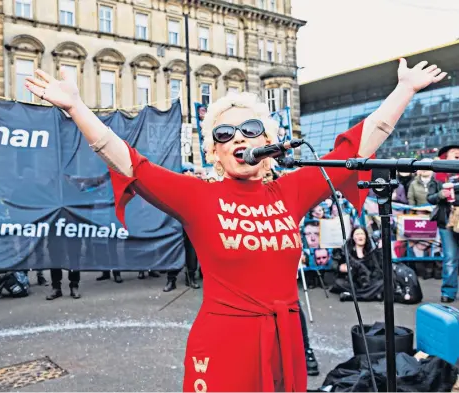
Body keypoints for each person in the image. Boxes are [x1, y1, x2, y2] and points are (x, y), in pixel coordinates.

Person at [25, 58, 446, 391]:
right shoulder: (197, 195)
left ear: (270, 141)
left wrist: (404, 90)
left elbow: (356, 144)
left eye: (249, 128)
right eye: (225, 134)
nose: (238, 139)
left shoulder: (292, 191)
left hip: (284, 341)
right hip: (225, 344)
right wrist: (77, 108)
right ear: (215, 152)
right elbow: (128, 161)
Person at [427, 144, 459, 303]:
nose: (458, 154)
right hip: (447, 221)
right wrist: (441, 194)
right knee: (450, 257)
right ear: (446, 157)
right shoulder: (438, 176)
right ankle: (449, 292)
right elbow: (430, 198)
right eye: (454, 153)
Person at [330, 227, 384, 302]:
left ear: (366, 236)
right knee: (338, 282)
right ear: (353, 237)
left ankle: (352, 296)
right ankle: (371, 295)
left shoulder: (370, 251)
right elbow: (333, 264)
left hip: (368, 281)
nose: (360, 236)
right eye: (357, 234)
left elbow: (377, 268)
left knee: (383, 282)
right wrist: (340, 267)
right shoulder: (346, 250)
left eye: (362, 234)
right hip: (352, 281)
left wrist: (380, 250)